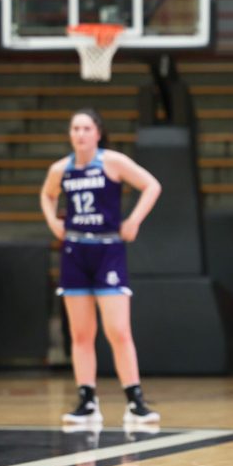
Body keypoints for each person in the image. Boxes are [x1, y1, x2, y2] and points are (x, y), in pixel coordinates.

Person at [39, 109, 163, 426]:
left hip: (108, 250)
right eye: (74, 128)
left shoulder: (112, 162)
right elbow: (47, 195)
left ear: (97, 132)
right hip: (74, 251)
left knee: (118, 331)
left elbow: (151, 186)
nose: (79, 133)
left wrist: (133, 220)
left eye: (85, 128)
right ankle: (86, 399)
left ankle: (135, 401)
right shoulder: (60, 169)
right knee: (81, 334)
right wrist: (53, 221)